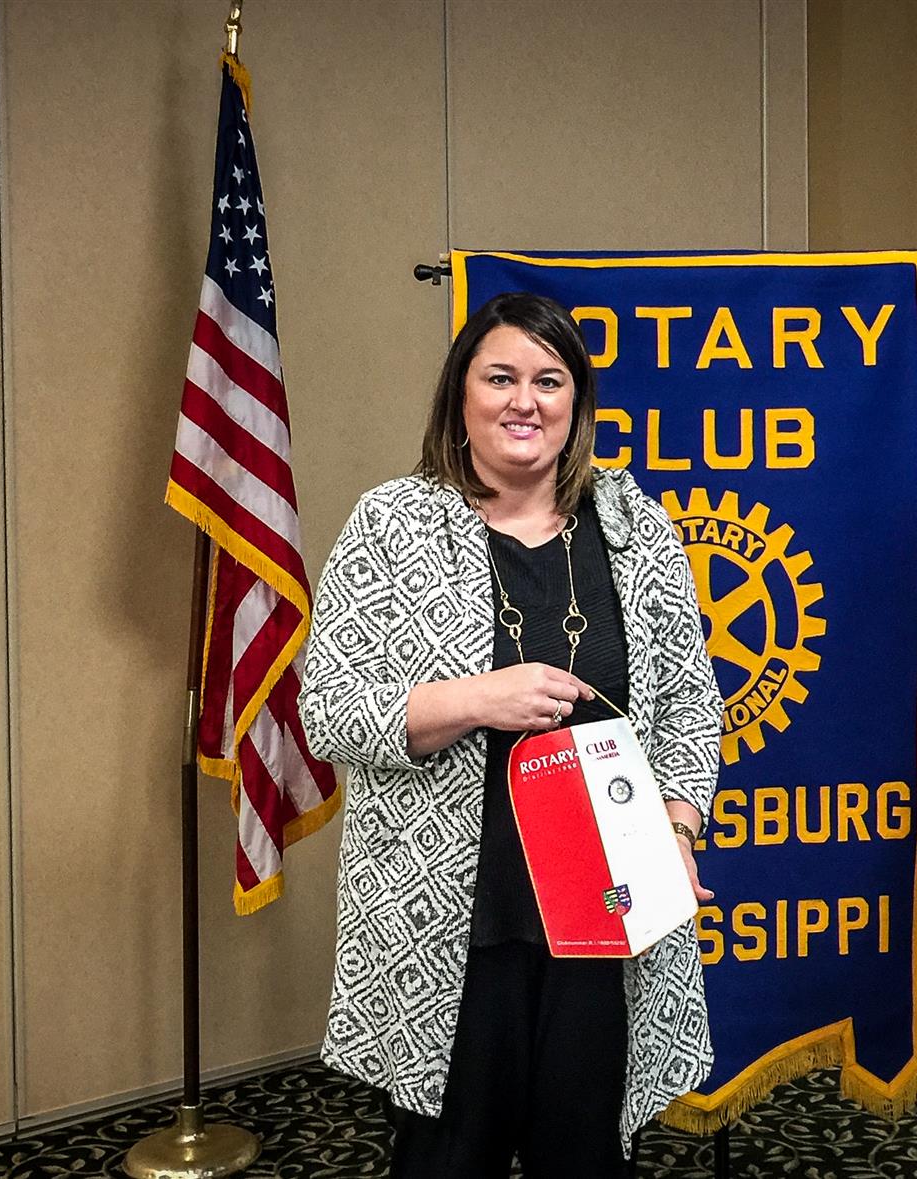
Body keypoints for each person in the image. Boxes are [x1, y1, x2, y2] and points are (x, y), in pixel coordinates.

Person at [300, 291, 723, 1177]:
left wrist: (679, 829)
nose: (524, 401)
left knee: (586, 1158)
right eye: (500, 377)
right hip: (452, 925)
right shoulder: (392, 523)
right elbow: (329, 708)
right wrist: (473, 699)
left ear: (577, 403)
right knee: (450, 1162)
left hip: (605, 915)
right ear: (461, 394)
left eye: (548, 380)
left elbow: (690, 701)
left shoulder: (635, 525)